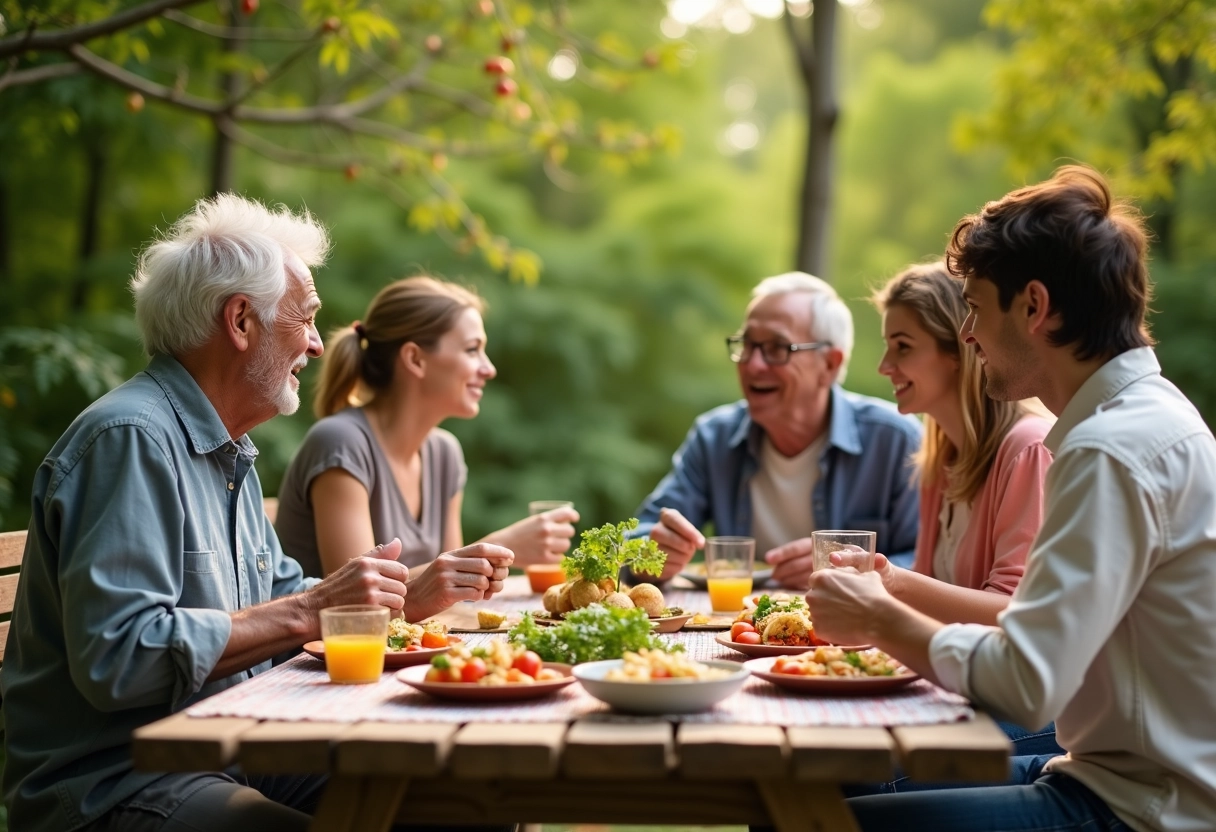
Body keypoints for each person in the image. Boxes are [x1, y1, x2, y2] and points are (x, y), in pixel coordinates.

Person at [0, 194, 512, 832]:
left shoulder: (226, 447)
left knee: (473, 798)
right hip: (115, 782)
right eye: (306, 318)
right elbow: (119, 658)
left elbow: (289, 595)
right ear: (241, 320)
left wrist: (405, 595)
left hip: (231, 750)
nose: (320, 345)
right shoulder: (129, 439)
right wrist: (311, 610)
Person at [807, 165, 1216, 831]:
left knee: (818, 821)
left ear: (1033, 307)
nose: (967, 333)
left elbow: (1029, 686)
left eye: (973, 306)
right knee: (819, 794)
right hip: (1101, 773)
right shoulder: (1138, 420)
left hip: (1140, 808)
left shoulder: (1111, 449)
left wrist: (881, 618)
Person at [274, 277, 578, 621]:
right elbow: (358, 606)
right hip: (321, 664)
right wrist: (499, 546)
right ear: (415, 359)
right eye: (472, 349)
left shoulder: (444, 454)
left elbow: (449, 599)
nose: (488, 368)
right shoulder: (340, 443)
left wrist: (476, 564)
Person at [869, 262, 1060, 760]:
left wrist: (889, 582)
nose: (884, 366)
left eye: (903, 347)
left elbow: (1014, 615)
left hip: (1038, 710)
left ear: (958, 351)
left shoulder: (1028, 449)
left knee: (839, 776)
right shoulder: (942, 454)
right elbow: (928, 591)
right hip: (966, 688)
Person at [634, 272, 922, 587]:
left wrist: (855, 568)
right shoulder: (714, 438)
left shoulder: (894, 441)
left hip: (853, 631)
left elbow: (928, 560)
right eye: (747, 344)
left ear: (829, 364)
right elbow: (640, 536)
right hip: (737, 626)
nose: (753, 365)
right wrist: (650, 554)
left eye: (777, 347)